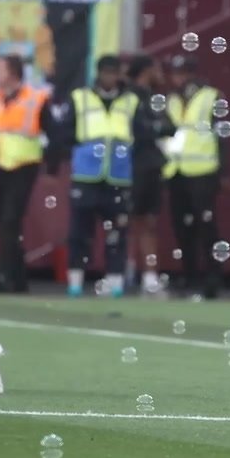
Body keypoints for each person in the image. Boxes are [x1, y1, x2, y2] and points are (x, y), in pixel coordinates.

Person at [54, 56, 155, 297]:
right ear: (98, 74)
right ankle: (76, 281)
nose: (109, 78)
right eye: (105, 73)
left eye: (114, 73)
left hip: (118, 177)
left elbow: (143, 135)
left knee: (117, 232)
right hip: (86, 175)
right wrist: (79, 153)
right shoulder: (80, 97)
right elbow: (64, 133)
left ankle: (116, 282)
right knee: (80, 232)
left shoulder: (131, 100)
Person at [164, 55, 226, 299]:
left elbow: (223, 134)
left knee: (206, 226)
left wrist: (223, 170)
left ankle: (213, 277)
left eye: (182, 74)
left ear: (192, 74)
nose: (177, 79)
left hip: (204, 170)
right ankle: (190, 276)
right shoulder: (171, 100)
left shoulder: (211, 96)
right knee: (182, 226)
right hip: (175, 169)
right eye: (175, 74)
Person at [0, 54, 49, 293]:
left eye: (0, 69)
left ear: (13, 72)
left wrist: (51, 164)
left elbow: (51, 131)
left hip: (23, 166)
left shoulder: (35, 98)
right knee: (1, 222)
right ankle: (9, 276)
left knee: (10, 221)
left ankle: (12, 277)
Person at [125, 54, 175, 295]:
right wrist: (153, 128)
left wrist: (154, 128)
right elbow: (138, 128)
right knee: (132, 220)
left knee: (148, 221)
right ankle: (127, 272)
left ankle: (149, 276)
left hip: (152, 166)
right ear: (146, 70)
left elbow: (170, 126)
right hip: (131, 165)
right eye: (156, 67)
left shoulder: (154, 97)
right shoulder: (130, 96)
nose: (160, 72)